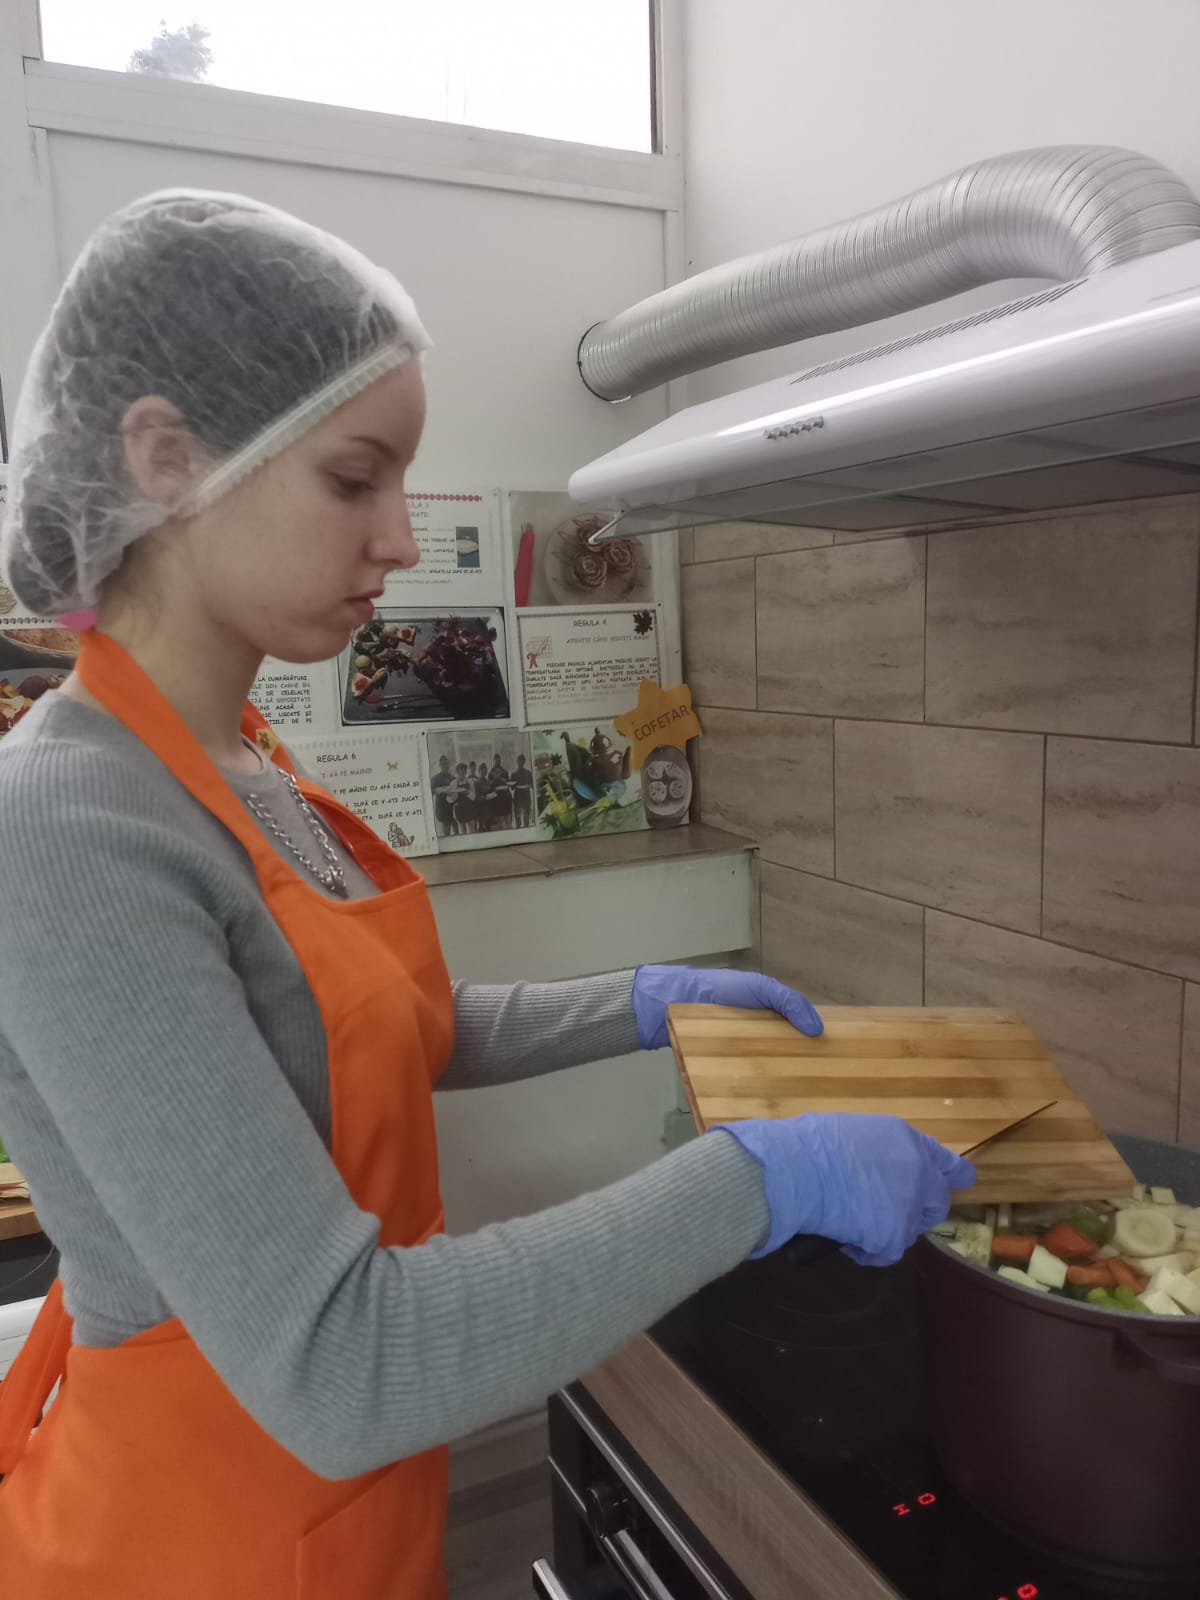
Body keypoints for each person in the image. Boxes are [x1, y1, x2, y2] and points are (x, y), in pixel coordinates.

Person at [0, 190, 974, 1599]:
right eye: (355, 478)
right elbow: (344, 1360)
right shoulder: (68, 826)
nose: (401, 539)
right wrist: (759, 1180)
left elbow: (381, 1032)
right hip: (190, 1535)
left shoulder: (246, 756)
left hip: (343, 1513)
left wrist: (643, 1003)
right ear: (167, 458)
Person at [429, 751, 456, 837]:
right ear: (440, 766)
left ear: (449, 764)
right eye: (443, 764)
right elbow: (431, 791)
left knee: (456, 828)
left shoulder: (453, 778)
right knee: (446, 829)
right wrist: (440, 790)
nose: (445, 766)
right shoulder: (435, 778)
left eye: (446, 764)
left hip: (452, 806)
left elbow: (456, 790)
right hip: (442, 806)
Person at [512, 749, 534, 827]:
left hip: (526, 797)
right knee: (518, 820)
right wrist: (514, 787)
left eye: (522, 762)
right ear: (517, 762)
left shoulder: (529, 773)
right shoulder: (513, 774)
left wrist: (529, 785)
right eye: (519, 761)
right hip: (517, 798)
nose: (520, 763)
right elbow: (512, 787)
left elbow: (532, 784)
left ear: (524, 762)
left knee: (526, 820)